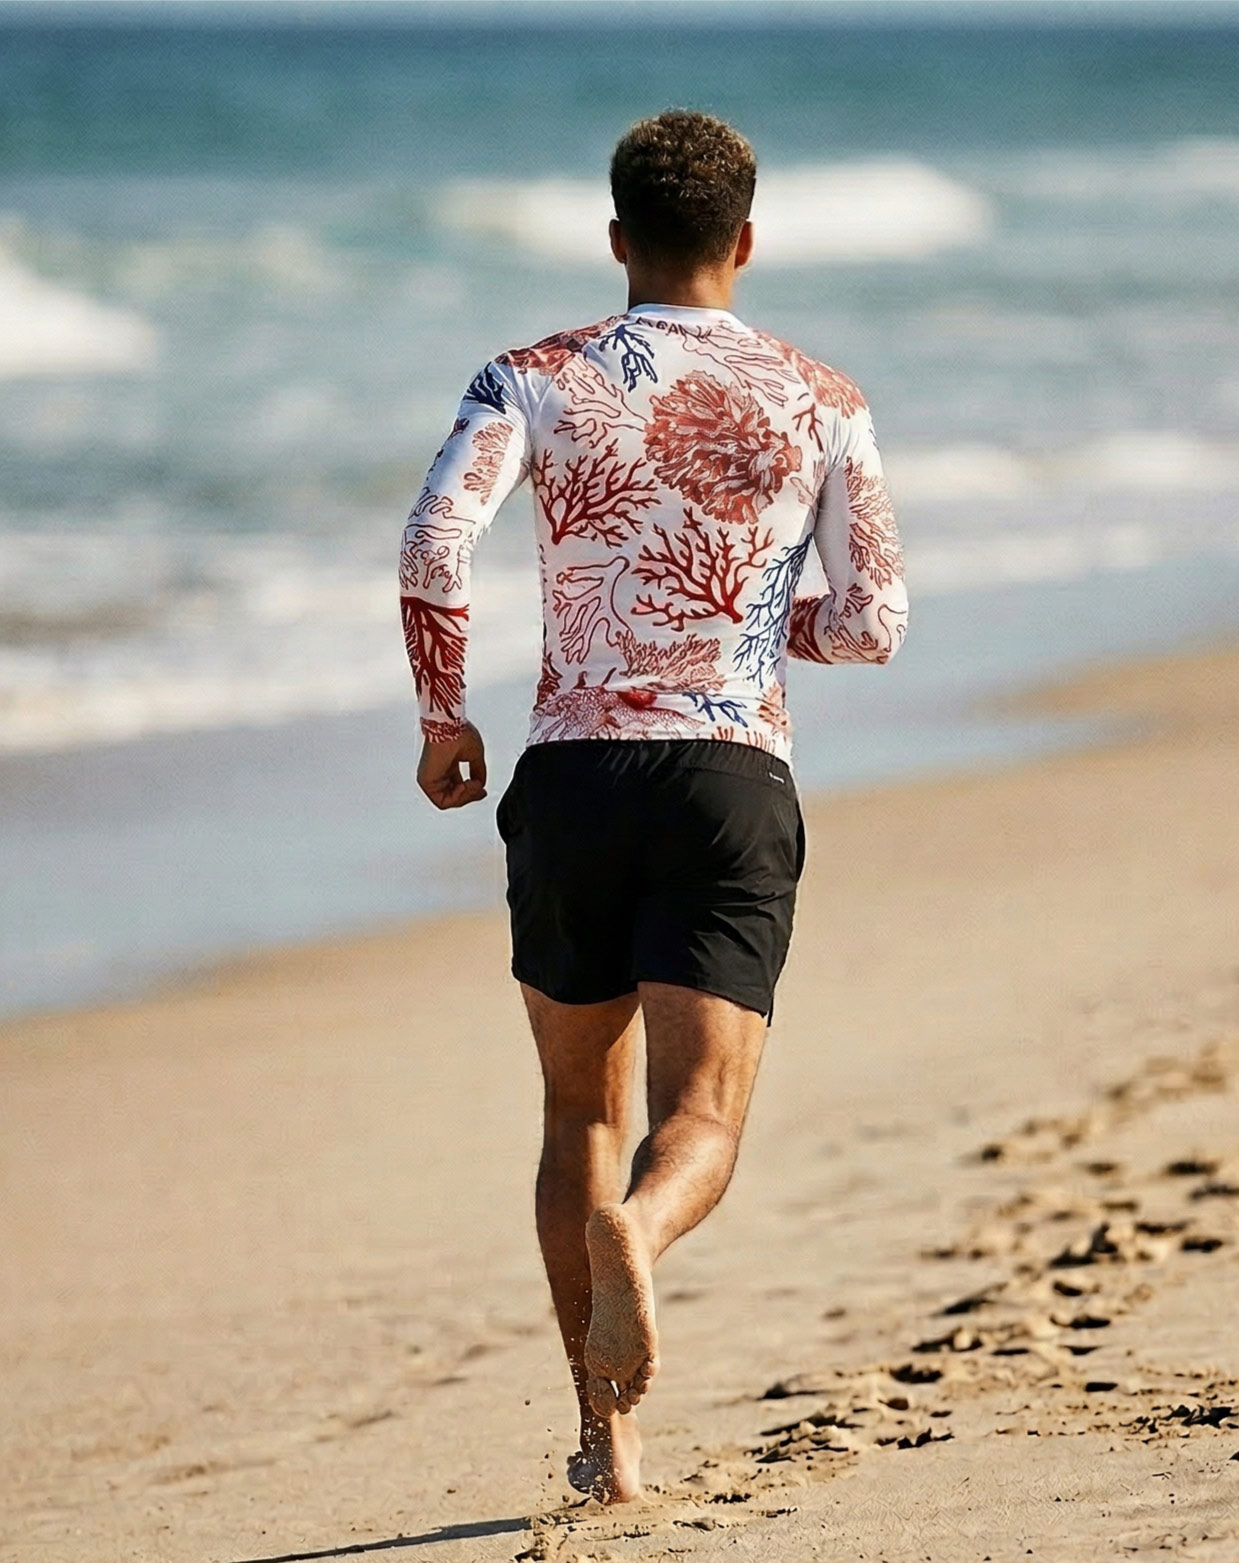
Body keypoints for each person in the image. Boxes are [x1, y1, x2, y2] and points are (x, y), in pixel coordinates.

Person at [399, 109, 907, 1505]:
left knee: (577, 1110)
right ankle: (644, 1227)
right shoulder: (823, 396)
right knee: (702, 1121)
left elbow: (437, 541)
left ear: (617, 239)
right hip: (726, 779)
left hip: (568, 775)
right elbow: (874, 621)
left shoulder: (530, 376)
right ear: (744, 241)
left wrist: (446, 714)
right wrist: (754, 634)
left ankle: (605, 1444)